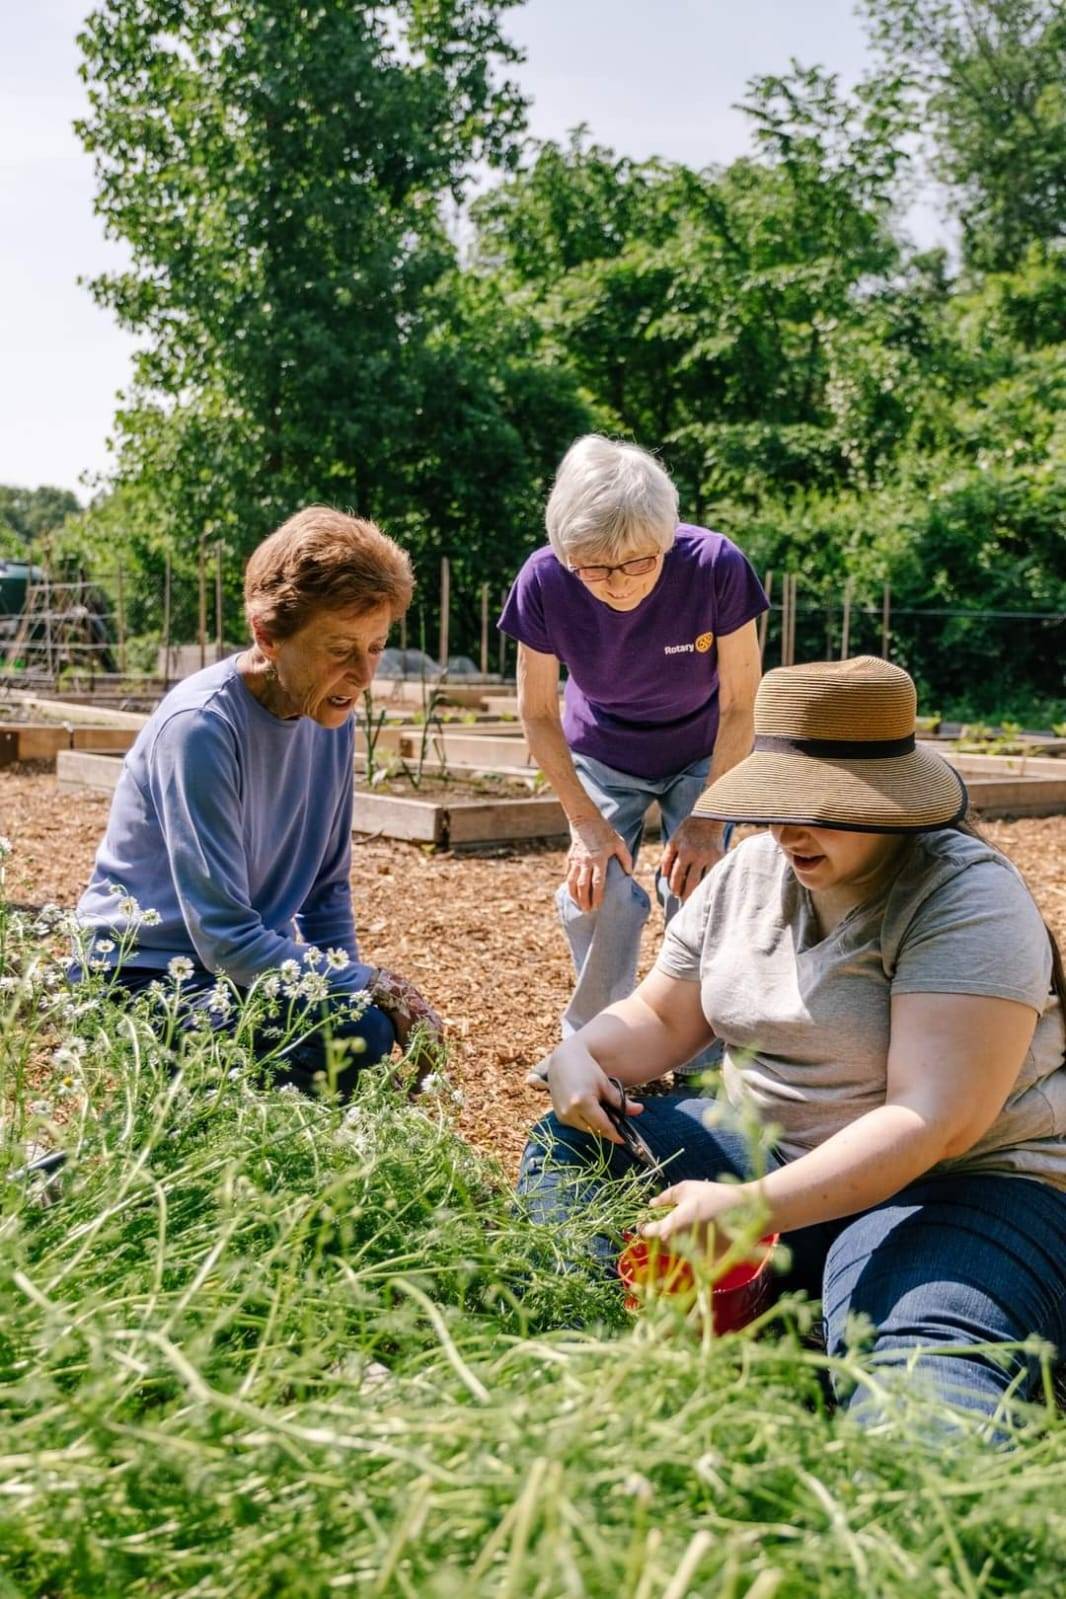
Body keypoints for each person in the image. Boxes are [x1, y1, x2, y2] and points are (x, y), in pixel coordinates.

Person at [518, 656, 1066, 1426]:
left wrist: (746, 1207)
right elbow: (665, 1018)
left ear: (889, 799)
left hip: (958, 1187)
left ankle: (937, 1509)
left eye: (817, 804)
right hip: (770, 1157)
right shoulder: (752, 867)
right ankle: (569, 1370)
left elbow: (934, 1119)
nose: (784, 827)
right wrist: (582, 1052)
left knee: (916, 1358)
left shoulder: (965, 896)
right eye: (774, 801)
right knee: (573, 1145)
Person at [76, 505, 442, 1096]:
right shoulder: (202, 729)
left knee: (361, 1034)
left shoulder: (331, 715)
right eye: (340, 647)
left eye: (375, 647)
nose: (363, 673)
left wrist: (355, 992)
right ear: (267, 636)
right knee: (357, 1032)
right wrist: (364, 984)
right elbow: (222, 938)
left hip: (235, 974)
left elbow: (325, 893)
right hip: (142, 975)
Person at [498, 435, 767, 1070]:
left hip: (704, 748)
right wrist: (585, 825)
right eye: (593, 566)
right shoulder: (543, 579)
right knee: (600, 891)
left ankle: (701, 1058)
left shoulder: (716, 567)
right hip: (602, 748)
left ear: (667, 540)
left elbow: (742, 705)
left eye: (638, 564)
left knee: (696, 888)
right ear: (567, 554)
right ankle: (592, 1044)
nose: (616, 584)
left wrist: (706, 820)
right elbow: (537, 713)